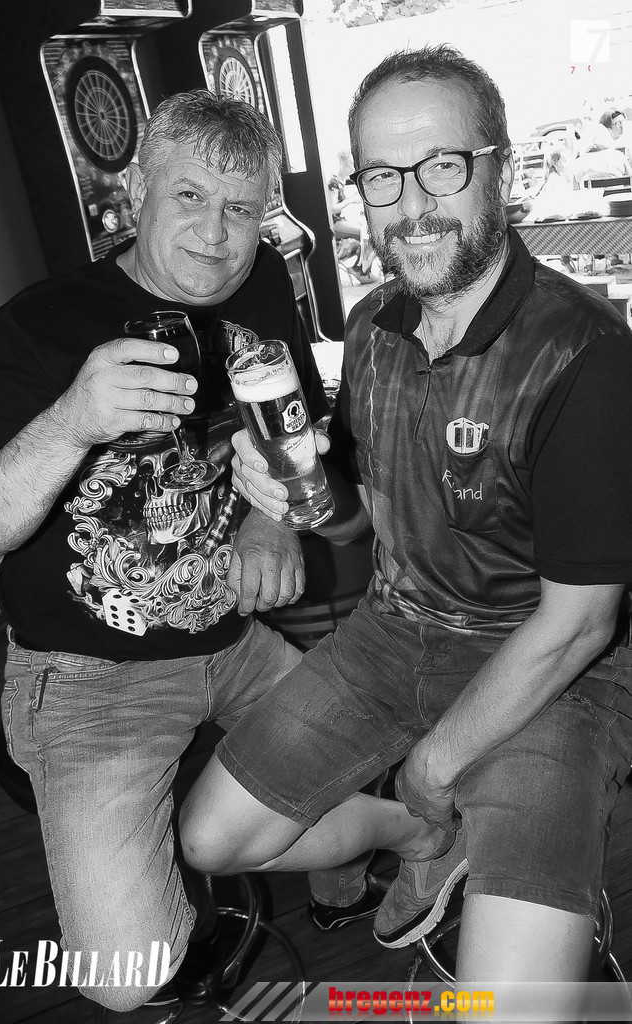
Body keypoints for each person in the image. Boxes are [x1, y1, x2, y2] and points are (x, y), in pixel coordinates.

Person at [180, 46, 632, 1014]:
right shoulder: (375, 323)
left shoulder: (583, 354)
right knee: (211, 840)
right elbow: (365, 523)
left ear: (499, 170)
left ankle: (466, 834)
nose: (411, 204)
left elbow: (579, 626)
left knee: (509, 1010)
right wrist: (304, 499)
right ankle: (423, 840)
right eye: (381, 176)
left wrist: (430, 765)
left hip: (549, 670)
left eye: (441, 165)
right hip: (395, 627)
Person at [0, 90, 378, 1013]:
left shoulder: (260, 284)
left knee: (366, 755)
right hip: (90, 672)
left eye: (240, 209)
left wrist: (268, 522)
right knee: (123, 978)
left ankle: (372, 866)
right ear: (136, 189)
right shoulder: (36, 327)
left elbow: (289, 432)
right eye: (189, 196)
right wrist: (73, 420)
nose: (216, 236)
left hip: (231, 635)